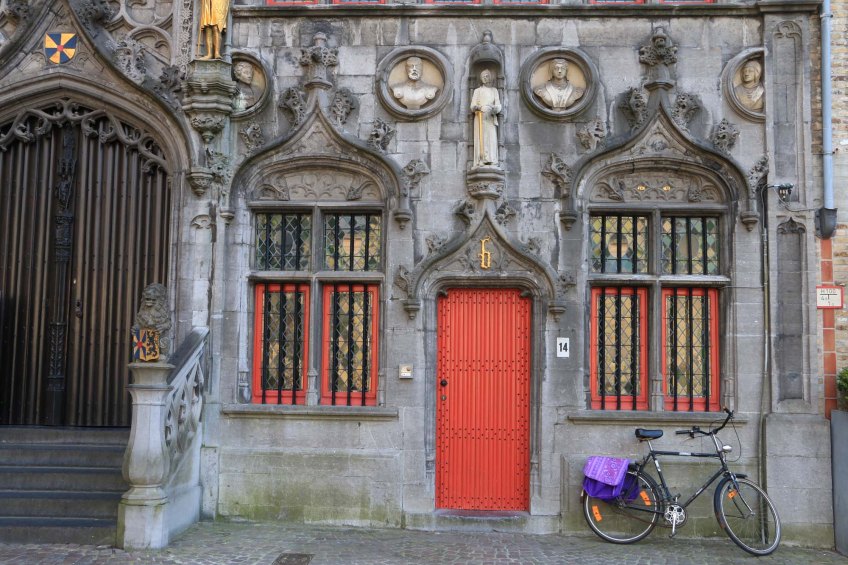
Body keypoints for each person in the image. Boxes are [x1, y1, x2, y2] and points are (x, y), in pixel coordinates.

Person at [470, 69, 501, 168]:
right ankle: (481, 160)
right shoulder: (477, 91)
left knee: (491, 138)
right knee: (481, 138)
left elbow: (499, 105)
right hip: (480, 117)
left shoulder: (494, 90)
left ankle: (492, 160)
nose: (485, 78)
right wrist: (477, 107)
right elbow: (472, 106)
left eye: (487, 76)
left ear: (490, 77)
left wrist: (494, 109)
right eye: (483, 76)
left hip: (490, 117)